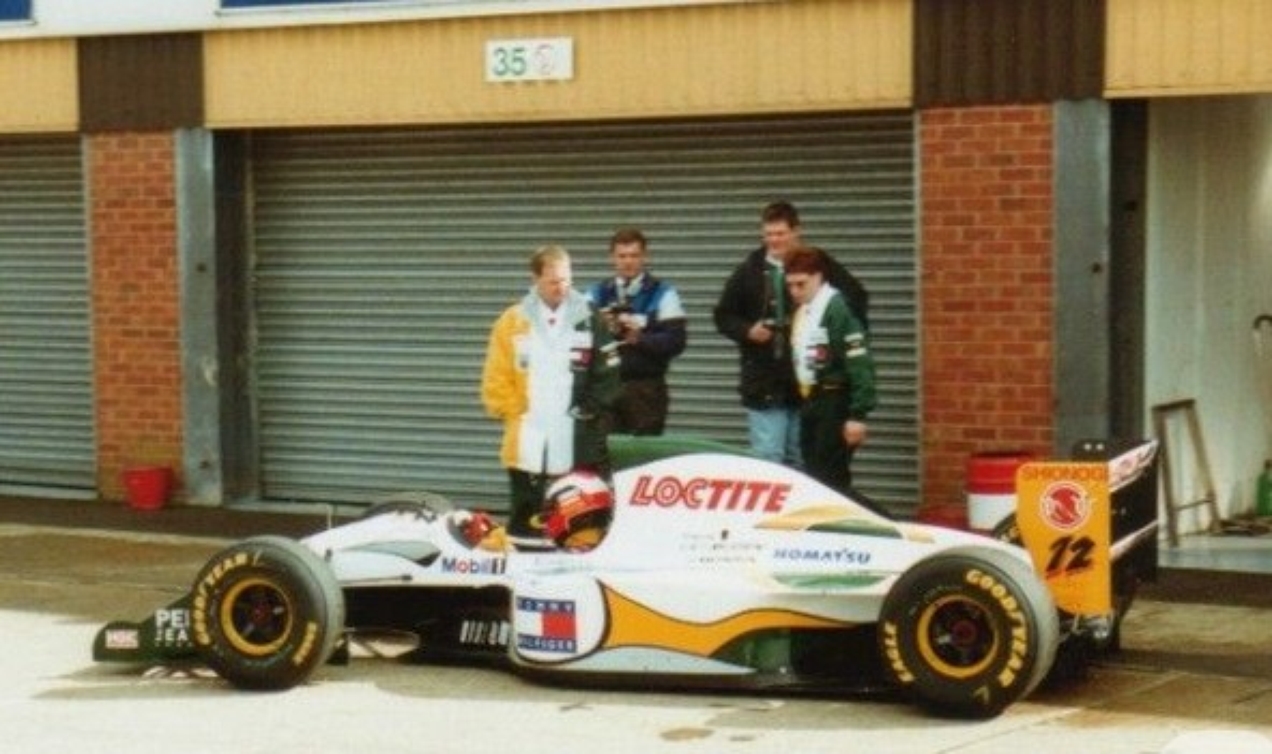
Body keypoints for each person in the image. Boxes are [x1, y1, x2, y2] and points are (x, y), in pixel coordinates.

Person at [481, 245, 621, 538]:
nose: (562, 288)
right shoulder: (512, 321)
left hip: (575, 435)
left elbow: (608, 371)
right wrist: (513, 409)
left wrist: (591, 407)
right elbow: (495, 376)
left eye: (567, 279)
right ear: (535, 279)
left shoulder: (589, 317)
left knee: (576, 517)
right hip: (527, 434)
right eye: (554, 281)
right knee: (525, 518)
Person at [713, 200, 863, 466]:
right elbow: (723, 315)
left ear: (796, 232)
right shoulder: (749, 271)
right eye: (768, 234)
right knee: (769, 458)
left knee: (802, 459)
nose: (774, 240)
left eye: (780, 233)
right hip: (764, 381)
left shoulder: (819, 264)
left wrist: (829, 333)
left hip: (807, 384)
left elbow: (856, 299)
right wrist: (748, 330)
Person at [784, 246, 876, 493]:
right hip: (812, 399)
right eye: (790, 285)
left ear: (818, 276)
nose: (794, 291)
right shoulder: (803, 311)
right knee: (814, 476)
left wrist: (858, 415)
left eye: (800, 284)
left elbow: (859, 362)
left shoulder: (837, 308)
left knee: (831, 479)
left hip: (835, 400)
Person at [586, 228, 687, 435]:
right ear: (612, 258)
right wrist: (599, 326)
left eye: (634, 255)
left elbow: (677, 341)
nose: (628, 261)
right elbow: (574, 338)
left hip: (646, 390)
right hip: (605, 388)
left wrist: (639, 338)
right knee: (605, 458)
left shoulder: (664, 293)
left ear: (644, 257)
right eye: (622, 256)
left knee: (643, 460)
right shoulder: (595, 293)